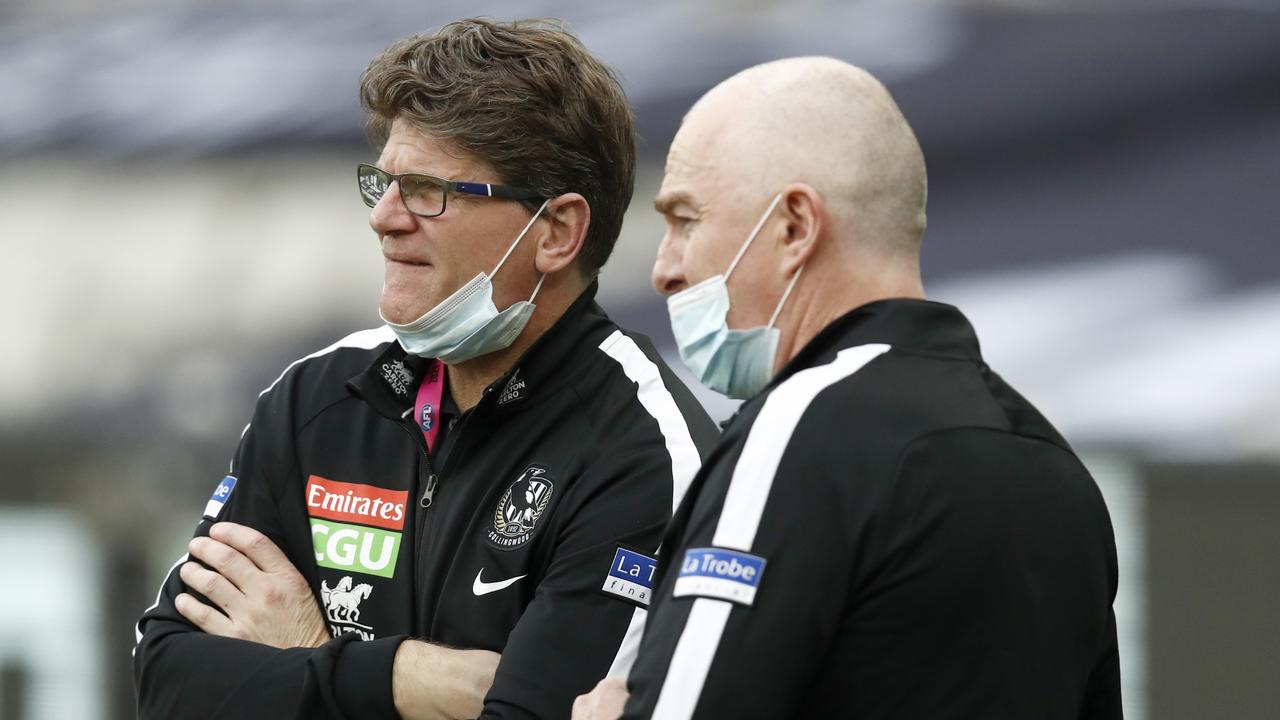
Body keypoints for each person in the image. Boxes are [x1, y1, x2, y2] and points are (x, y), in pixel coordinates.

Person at [133, 18, 718, 720]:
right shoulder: (317, 396)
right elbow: (167, 680)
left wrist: (304, 655)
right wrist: (408, 678)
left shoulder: (644, 453)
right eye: (381, 183)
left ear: (557, 232)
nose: (383, 218)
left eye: (426, 190)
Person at [573, 57, 1122, 719]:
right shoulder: (1055, 469)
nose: (664, 269)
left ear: (795, 227)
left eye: (685, 220)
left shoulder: (793, 436)